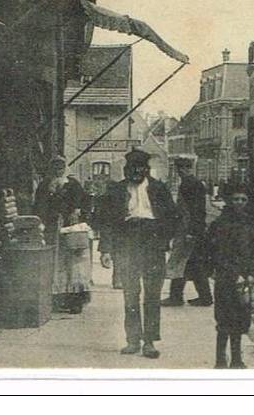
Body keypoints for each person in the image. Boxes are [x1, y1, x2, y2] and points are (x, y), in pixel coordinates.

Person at [93, 148, 178, 359]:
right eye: (131, 168)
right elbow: (107, 222)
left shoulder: (159, 189)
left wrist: (164, 239)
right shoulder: (116, 191)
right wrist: (106, 250)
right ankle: (132, 340)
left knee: (152, 295)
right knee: (130, 294)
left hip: (152, 244)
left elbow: (173, 218)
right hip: (127, 243)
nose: (135, 172)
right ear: (125, 169)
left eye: (140, 168)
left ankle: (149, 342)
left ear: (146, 170)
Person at [204, 182, 254, 369]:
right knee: (224, 320)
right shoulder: (220, 224)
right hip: (226, 279)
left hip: (244, 280)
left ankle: (236, 359)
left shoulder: (248, 223)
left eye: (243, 199)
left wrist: (251, 273)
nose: (240, 202)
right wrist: (234, 274)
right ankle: (220, 360)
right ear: (229, 201)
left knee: (240, 321)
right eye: (236, 199)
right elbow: (217, 254)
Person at [35, 160, 94, 314]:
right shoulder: (44, 185)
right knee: (56, 263)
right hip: (52, 229)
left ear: (65, 169)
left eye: (61, 168)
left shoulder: (73, 184)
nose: (58, 171)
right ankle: (57, 299)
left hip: (70, 229)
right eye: (55, 168)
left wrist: (77, 211)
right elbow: (39, 206)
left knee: (74, 264)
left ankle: (75, 301)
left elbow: (85, 201)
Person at [163, 158, 213, 307]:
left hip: (188, 230)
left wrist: (192, 231)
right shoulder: (191, 183)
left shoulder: (191, 184)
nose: (180, 172)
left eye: (182, 169)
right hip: (188, 229)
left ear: (188, 169)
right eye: (179, 169)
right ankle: (204, 297)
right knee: (191, 264)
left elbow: (197, 211)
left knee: (180, 262)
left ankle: (176, 297)